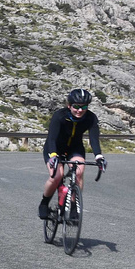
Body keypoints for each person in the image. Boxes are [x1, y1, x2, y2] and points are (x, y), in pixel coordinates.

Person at [39, 88, 106, 220]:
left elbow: (94, 139)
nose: (80, 110)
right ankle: (44, 203)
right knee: (56, 176)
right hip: (54, 148)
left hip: (75, 148)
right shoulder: (60, 115)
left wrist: (98, 156)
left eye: (84, 107)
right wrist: (53, 155)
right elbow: (51, 138)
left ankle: (74, 205)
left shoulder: (91, 118)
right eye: (76, 107)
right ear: (69, 105)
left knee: (79, 173)